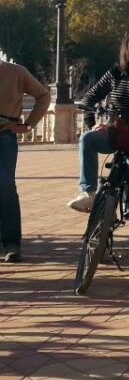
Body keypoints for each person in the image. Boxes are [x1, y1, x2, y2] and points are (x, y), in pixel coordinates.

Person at [67, 31, 129, 273]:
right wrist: (93, 123)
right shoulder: (115, 73)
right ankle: (88, 191)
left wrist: (119, 118)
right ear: (127, 49)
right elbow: (89, 97)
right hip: (115, 133)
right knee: (88, 140)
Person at [0, 58, 50, 263]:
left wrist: (28, 125)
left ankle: (12, 244)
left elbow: (43, 95)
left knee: (5, 186)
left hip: (4, 136)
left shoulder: (15, 71)